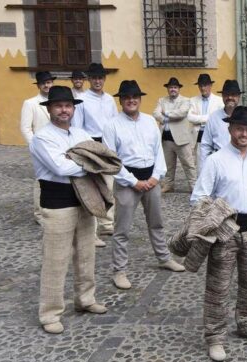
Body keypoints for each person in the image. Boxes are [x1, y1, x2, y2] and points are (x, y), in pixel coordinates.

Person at [191, 106, 247, 361]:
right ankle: (215, 336)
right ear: (230, 129)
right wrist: (215, 221)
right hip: (224, 231)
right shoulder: (216, 160)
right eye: (239, 128)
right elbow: (199, 196)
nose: (244, 134)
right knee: (218, 285)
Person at [30, 86, 109, 334]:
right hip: (57, 200)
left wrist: (78, 160)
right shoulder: (42, 138)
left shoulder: (80, 133)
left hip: (84, 198)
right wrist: (87, 163)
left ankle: (85, 299)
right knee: (56, 259)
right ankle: (50, 313)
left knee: (86, 253)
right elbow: (60, 167)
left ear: (73, 109)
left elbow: (97, 159)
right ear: (50, 109)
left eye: (68, 106)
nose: (64, 110)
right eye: (58, 106)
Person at [103, 79, 186, 291]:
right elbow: (111, 160)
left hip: (151, 179)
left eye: (135, 97)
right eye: (127, 98)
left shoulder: (150, 121)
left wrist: (156, 176)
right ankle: (119, 270)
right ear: (121, 101)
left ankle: (163, 257)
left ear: (139, 100)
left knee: (157, 223)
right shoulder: (111, 125)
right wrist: (133, 181)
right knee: (122, 229)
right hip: (127, 181)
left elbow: (158, 151)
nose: (131, 101)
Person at [72, 62, 118, 237]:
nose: (97, 81)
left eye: (100, 78)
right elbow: (77, 126)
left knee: (110, 184)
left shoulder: (109, 99)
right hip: (91, 143)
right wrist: (86, 148)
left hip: (108, 145)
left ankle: (107, 223)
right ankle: (91, 222)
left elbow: (115, 123)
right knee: (91, 185)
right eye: (94, 78)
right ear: (89, 79)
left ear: (104, 79)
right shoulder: (82, 99)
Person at [199, 80, 247, 169]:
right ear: (222, 96)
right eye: (227, 94)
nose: (230, 97)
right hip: (220, 164)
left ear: (239, 96)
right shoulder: (213, 117)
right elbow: (205, 145)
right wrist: (203, 169)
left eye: (234, 94)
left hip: (246, 163)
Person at [21, 71, 54, 225]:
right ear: (39, 85)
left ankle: (53, 209)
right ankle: (39, 213)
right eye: (44, 83)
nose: (47, 85)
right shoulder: (30, 103)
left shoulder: (56, 100)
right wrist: (34, 146)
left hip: (56, 145)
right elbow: (26, 128)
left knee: (56, 178)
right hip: (40, 146)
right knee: (41, 180)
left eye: (49, 82)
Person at [152, 77, 196, 193]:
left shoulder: (186, 100)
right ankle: (168, 185)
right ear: (167, 89)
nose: (173, 89)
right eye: (171, 87)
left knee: (188, 164)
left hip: (181, 138)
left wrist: (165, 113)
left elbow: (181, 113)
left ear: (179, 89)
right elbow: (155, 113)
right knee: (168, 165)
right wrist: (165, 118)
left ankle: (193, 186)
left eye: (175, 87)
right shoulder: (162, 100)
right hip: (165, 138)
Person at [188, 73, 224, 153]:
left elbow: (220, 118)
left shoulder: (219, 101)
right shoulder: (193, 100)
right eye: (200, 86)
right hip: (198, 136)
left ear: (210, 85)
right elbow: (190, 117)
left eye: (205, 85)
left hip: (214, 136)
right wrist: (209, 117)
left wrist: (198, 118)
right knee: (200, 164)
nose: (202, 88)